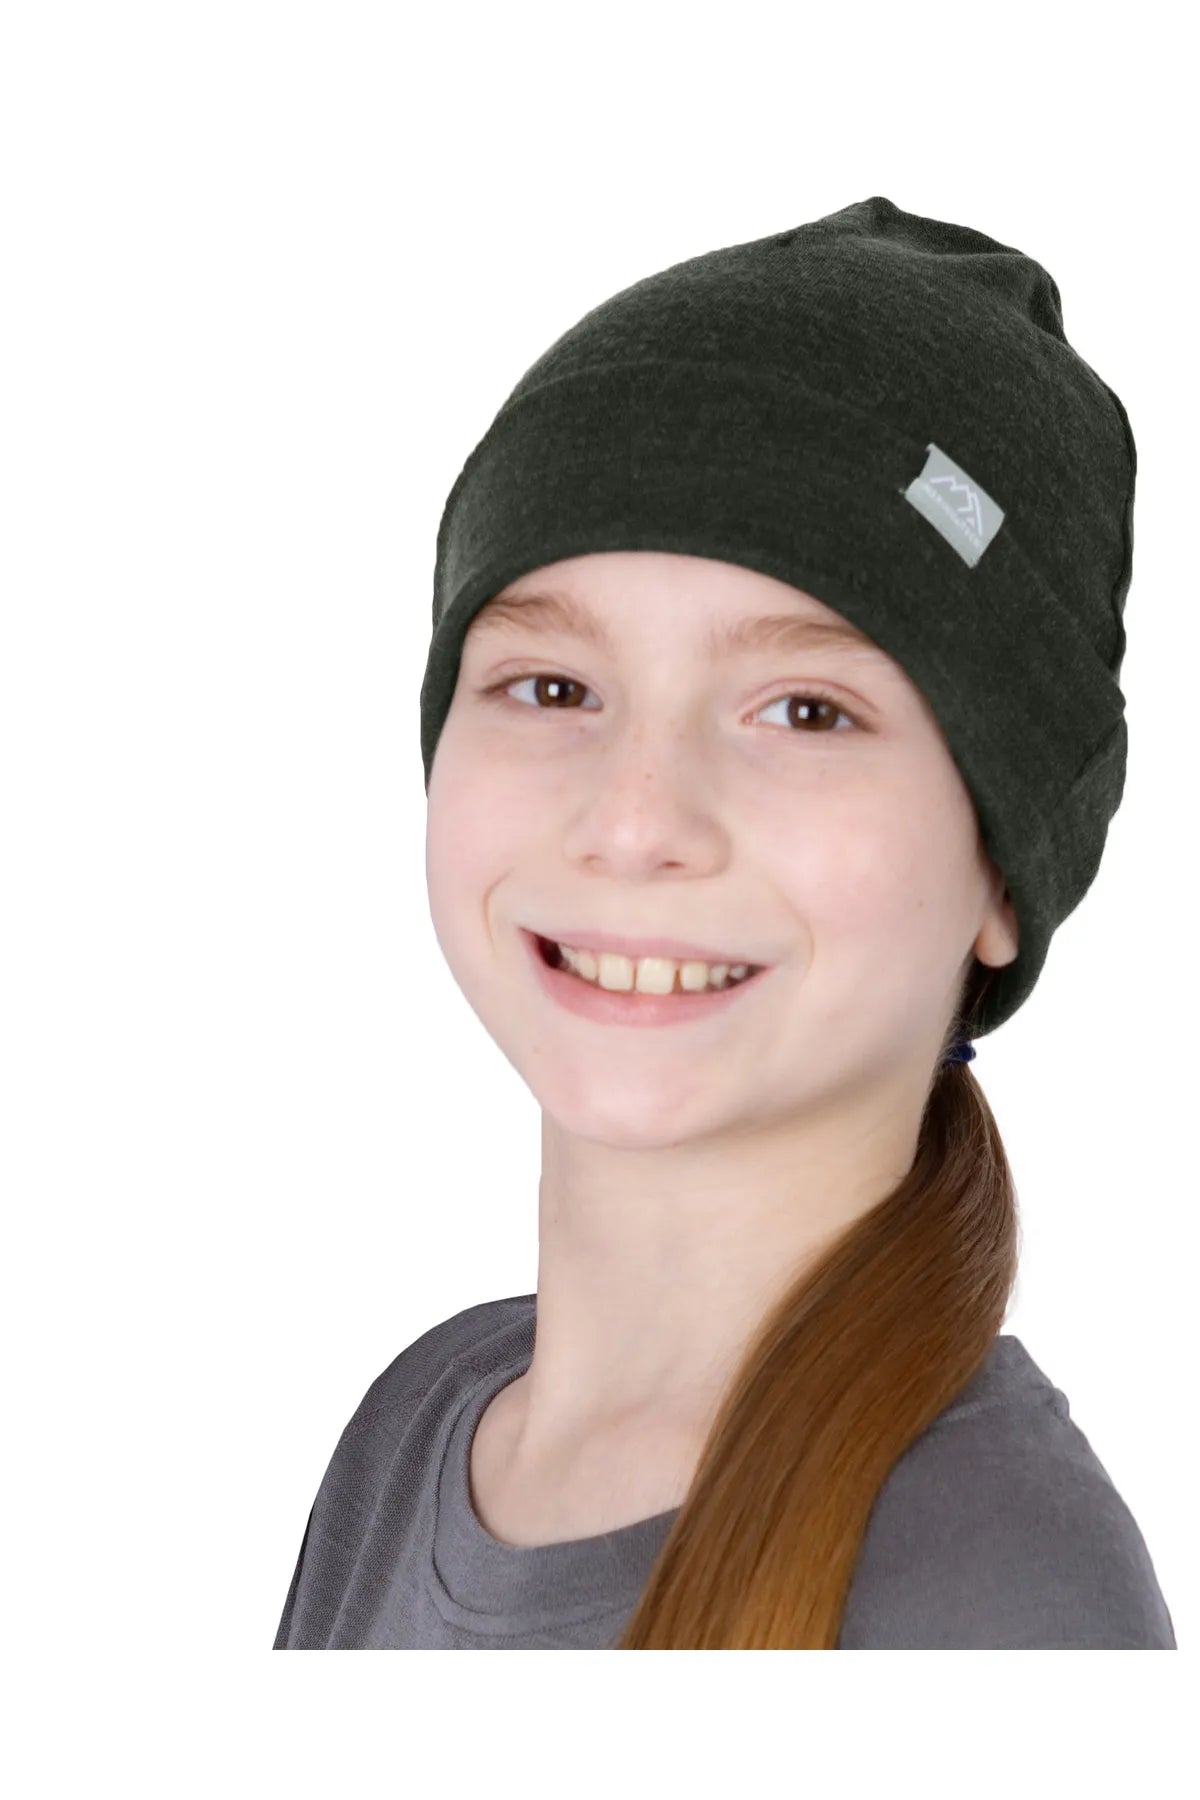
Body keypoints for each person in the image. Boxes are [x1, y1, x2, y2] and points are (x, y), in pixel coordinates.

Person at [272, 197, 1176, 1649]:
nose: (636, 821)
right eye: (552, 688)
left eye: (806, 711)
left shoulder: (1003, 1598)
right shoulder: (418, 1427)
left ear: (1004, 872)